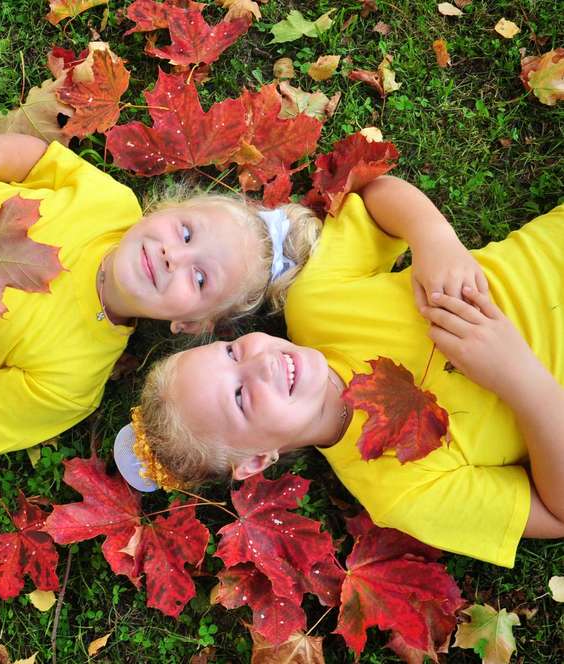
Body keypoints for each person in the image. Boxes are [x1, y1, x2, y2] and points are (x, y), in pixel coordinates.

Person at [125, 176, 564, 567]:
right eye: (240, 397)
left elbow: (376, 199)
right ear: (257, 461)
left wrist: (434, 237)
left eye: (233, 353)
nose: (262, 363)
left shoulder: (317, 304)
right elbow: (556, 512)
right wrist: (523, 380)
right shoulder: (401, 490)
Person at [0, 134, 320, 458]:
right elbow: (34, 159)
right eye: (184, 232)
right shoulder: (110, 204)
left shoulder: (73, 381)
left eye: (200, 279)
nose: (171, 257)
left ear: (192, 324)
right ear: (161, 210)